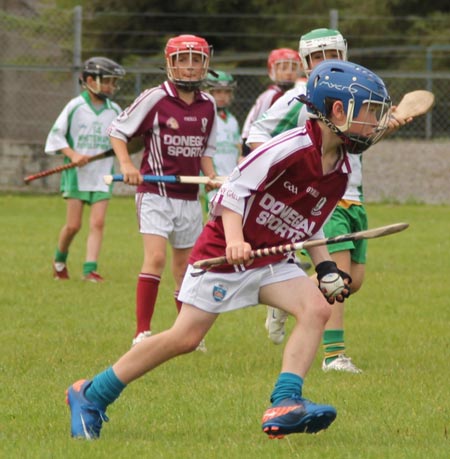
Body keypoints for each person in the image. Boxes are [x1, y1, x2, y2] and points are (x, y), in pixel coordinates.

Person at [65, 60, 392, 440]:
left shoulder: (342, 169)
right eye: (369, 111)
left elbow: (311, 222)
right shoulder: (290, 147)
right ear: (338, 111)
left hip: (271, 258)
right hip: (223, 254)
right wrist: (236, 240)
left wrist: (325, 270)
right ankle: (90, 394)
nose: (375, 121)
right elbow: (232, 191)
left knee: (317, 307)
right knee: (184, 338)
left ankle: (286, 401)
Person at [248, 28, 407, 373]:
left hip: (353, 197)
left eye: (333, 54)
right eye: (318, 57)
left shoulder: (360, 96)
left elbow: (359, 140)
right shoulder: (299, 97)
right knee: (337, 278)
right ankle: (334, 357)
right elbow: (256, 135)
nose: (327, 63)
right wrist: (284, 173)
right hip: (320, 199)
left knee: (355, 281)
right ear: (306, 63)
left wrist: (384, 126)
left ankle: (284, 298)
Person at [108, 35, 218, 348]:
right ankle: (142, 332)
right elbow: (118, 131)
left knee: (186, 268)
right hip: (154, 192)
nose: (189, 67)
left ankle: (188, 335)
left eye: (196, 60)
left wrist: (210, 177)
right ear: (170, 63)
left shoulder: (208, 105)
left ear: (205, 64)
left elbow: (205, 151)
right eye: (182, 60)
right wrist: (127, 164)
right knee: (155, 258)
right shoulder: (155, 98)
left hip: (188, 197)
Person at [46, 57, 125, 282]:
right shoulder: (75, 106)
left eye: (113, 82)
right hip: (77, 175)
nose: (111, 86)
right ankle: (59, 261)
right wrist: (73, 155)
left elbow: (121, 140)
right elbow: (56, 135)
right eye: (107, 81)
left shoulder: (115, 110)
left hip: (103, 174)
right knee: (73, 225)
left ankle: (90, 269)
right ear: (90, 80)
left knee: (98, 223)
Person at [240, 48, 301, 157]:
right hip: (266, 150)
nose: (289, 72)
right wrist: (245, 154)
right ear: (272, 70)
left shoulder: (298, 94)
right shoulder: (270, 95)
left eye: (293, 68)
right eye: (283, 68)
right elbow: (251, 126)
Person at [202, 70, 241, 209]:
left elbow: (238, 148)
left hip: (231, 180)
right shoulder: (204, 118)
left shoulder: (232, 120)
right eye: (217, 92)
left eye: (226, 92)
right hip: (213, 180)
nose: (222, 96)